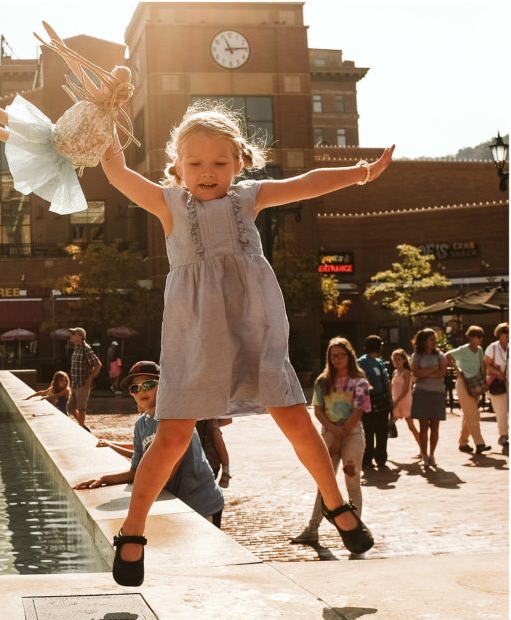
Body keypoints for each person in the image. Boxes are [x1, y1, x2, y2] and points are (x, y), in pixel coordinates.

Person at [98, 99, 391, 585]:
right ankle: (132, 533)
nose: (207, 172)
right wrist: (102, 117)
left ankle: (336, 503)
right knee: (172, 435)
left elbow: (309, 183)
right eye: (195, 163)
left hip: (254, 328)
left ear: (239, 164)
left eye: (219, 162)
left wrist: (360, 172)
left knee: (296, 420)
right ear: (176, 166)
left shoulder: (248, 198)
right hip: (194, 335)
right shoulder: (167, 203)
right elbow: (116, 170)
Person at [74, 361, 225, 527]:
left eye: (148, 384)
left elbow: (166, 470)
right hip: (176, 501)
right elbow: (137, 469)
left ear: (163, 386)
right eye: (134, 388)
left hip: (202, 503)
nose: (141, 391)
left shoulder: (175, 419)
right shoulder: (141, 425)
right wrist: (104, 479)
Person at [291, 338, 371, 547]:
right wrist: (334, 433)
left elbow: (360, 409)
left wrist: (341, 434)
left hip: (351, 434)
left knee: (352, 480)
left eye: (341, 355)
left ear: (349, 356)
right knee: (324, 481)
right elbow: (317, 410)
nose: (337, 359)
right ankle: (313, 527)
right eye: (333, 355)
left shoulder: (359, 380)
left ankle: (355, 530)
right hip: (329, 432)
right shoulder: (322, 381)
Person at [446, 325, 491, 456]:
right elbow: (447, 356)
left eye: (482, 336)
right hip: (464, 384)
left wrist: (483, 378)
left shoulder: (479, 350)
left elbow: (483, 364)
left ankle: (463, 442)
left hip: (475, 384)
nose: (481, 338)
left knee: (468, 415)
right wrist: (457, 371)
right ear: (471, 338)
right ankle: (480, 443)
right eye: (478, 336)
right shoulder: (463, 350)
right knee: (473, 414)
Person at [410, 328, 448, 468]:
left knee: (435, 426)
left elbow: (442, 373)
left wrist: (425, 373)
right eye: (431, 339)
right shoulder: (417, 355)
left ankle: (432, 454)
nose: (434, 342)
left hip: (437, 393)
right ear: (424, 341)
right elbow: (415, 372)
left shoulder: (440, 355)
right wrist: (432, 369)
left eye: (435, 339)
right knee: (423, 426)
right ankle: (424, 454)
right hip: (421, 393)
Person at [358, 335, 391, 470]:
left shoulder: (380, 361)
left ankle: (381, 457)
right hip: (369, 401)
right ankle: (367, 458)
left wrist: (390, 398)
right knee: (369, 430)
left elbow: (386, 381)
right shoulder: (362, 362)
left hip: (382, 400)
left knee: (382, 430)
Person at [67, 327, 102, 429]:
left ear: (80, 336)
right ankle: (83, 427)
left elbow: (98, 364)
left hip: (82, 384)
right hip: (74, 383)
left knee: (81, 408)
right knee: (70, 408)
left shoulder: (86, 348)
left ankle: (81, 427)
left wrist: (90, 379)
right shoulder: (76, 348)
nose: (71, 335)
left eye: (74, 333)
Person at [484, 322, 509, 455]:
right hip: (498, 382)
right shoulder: (492, 348)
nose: (508, 335)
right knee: (501, 410)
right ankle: (503, 435)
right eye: (505, 332)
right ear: (499, 334)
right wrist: (497, 372)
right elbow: (486, 364)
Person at [390, 348, 421, 449]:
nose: (396, 361)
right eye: (394, 359)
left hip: (405, 402)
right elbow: (391, 387)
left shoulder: (406, 372)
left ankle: (422, 449)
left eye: (398, 359)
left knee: (411, 427)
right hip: (395, 402)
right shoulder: (394, 372)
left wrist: (396, 401)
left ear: (403, 360)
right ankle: (380, 452)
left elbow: (405, 390)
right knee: (388, 425)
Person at [195, 418, 231, 488]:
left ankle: (226, 471)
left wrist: (214, 425)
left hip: (209, 466)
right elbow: (228, 420)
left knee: (214, 431)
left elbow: (228, 420)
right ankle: (226, 471)